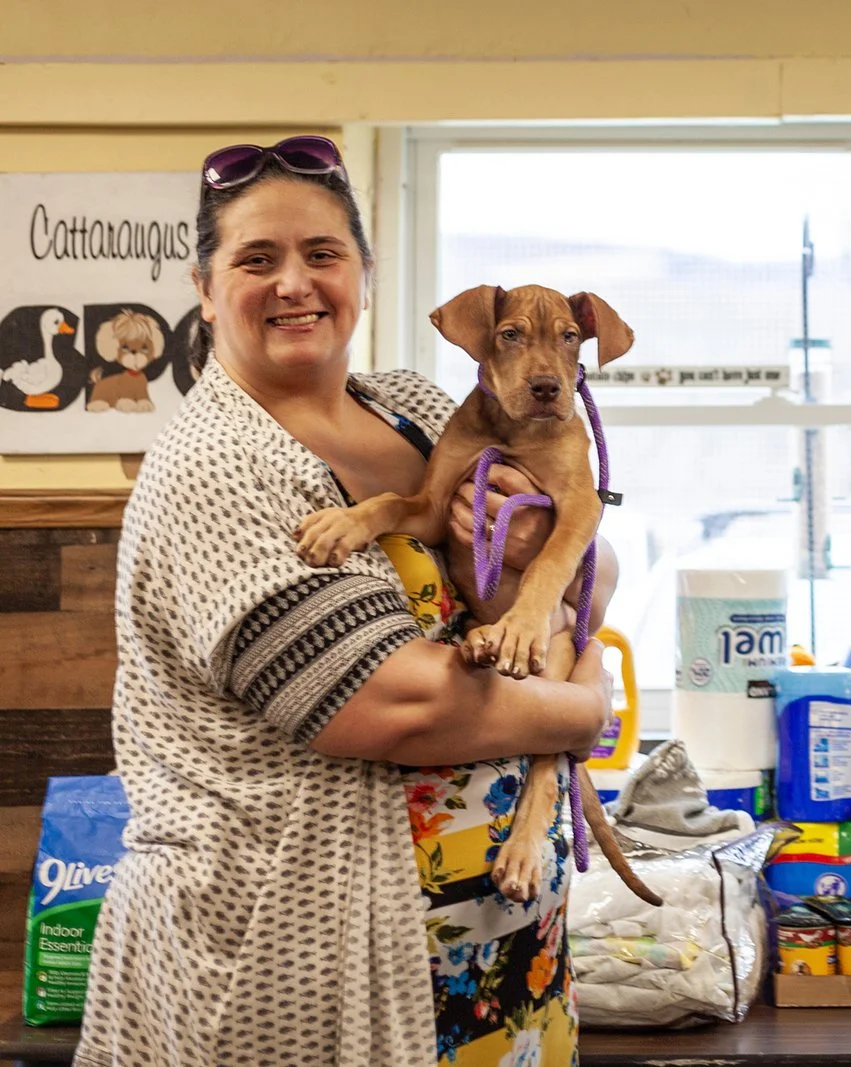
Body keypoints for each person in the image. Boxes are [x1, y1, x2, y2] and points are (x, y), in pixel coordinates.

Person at [75, 135, 617, 1067]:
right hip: (296, 954)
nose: (295, 283)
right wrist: (585, 706)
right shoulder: (215, 468)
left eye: (323, 254)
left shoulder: (413, 405)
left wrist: (544, 559)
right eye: (256, 259)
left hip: (499, 955)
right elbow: (399, 705)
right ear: (205, 290)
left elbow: (589, 574)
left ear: (362, 275)